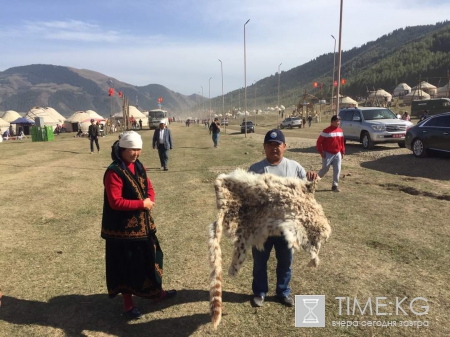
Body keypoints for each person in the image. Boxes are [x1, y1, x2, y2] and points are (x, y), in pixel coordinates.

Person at [102, 131, 176, 319]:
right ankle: (128, 303)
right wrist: (142, 204)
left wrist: (150, 198)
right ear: (123, 149)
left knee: (152, 257)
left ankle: (156, 292)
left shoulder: (138, 166)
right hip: (122, 232)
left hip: (143, 226)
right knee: (126, 266)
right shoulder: (114, 171)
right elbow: (115, 202)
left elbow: (148, 186)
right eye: (132, 149)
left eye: (138, 149)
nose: (136, 153)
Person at [248, 129, 318, 308]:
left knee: (286, 262)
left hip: (287, 227)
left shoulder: (295, 168)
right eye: (270, 145)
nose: (274, 148)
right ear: (264, 147)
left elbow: (307, 194)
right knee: (259, 263)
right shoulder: (255, 169)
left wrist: (311, 180)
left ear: (284, 147)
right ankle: (259, 292)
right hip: (262, 228)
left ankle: (283, 292)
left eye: (277, 145)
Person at [316, 115, 345, 192]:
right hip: (327, 153)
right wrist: (321, 152)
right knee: (325, 169)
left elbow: (341, 142)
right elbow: (319, 142)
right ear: (332, 122)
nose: (338, 122)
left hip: (337, 153)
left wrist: (342, 152)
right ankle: (313, 182)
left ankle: (335, 186)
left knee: (337, 169)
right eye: (336, 121)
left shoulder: (340, 131)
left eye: (339, 121)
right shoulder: (326, 131)